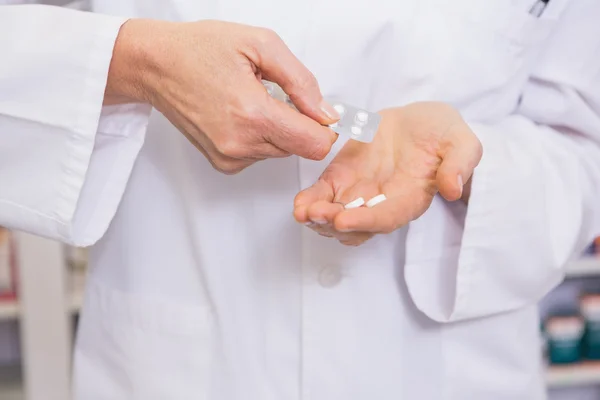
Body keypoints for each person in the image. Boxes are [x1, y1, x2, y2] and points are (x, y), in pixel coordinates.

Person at [1, 0, 599, 399]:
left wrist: (465, 165)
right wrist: (133, 62)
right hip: (178, 359)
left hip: (447, 369)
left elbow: (580, 138)